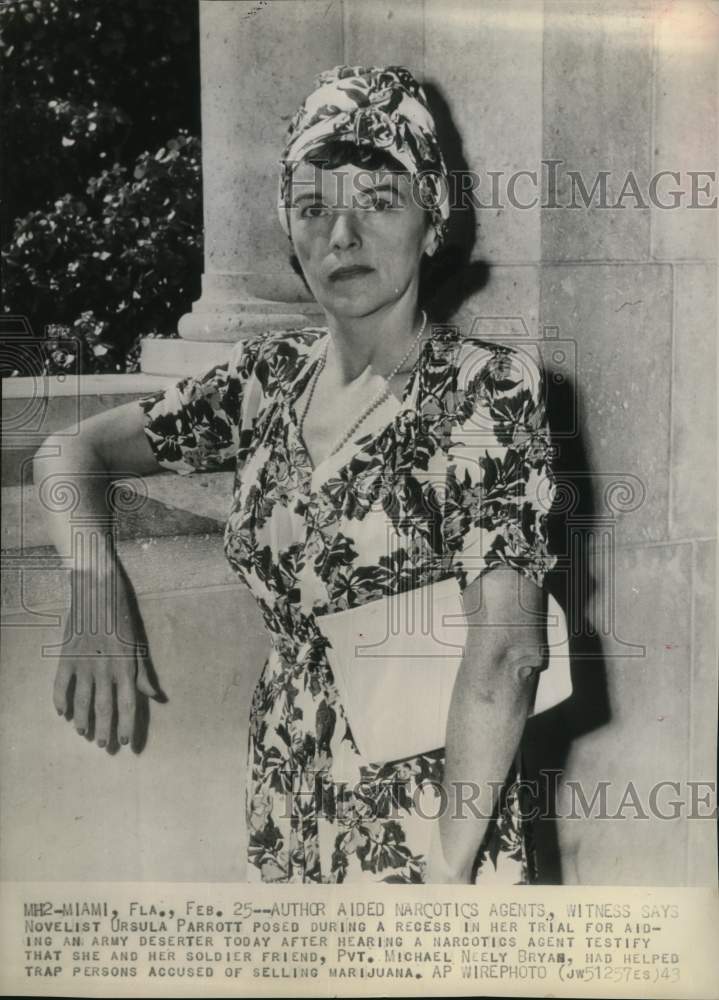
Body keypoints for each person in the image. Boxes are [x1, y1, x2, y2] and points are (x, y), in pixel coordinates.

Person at [35, 65, 557, 885]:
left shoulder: (481, 388)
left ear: (432, 221)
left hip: (430, 811)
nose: (342, 235)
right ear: (291, 233)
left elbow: (509, 649)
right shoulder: (267, 379)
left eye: (380, 201)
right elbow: (68, 453)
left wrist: (449, 871)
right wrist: (94, 593)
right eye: (314, 208)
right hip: (287, 785)